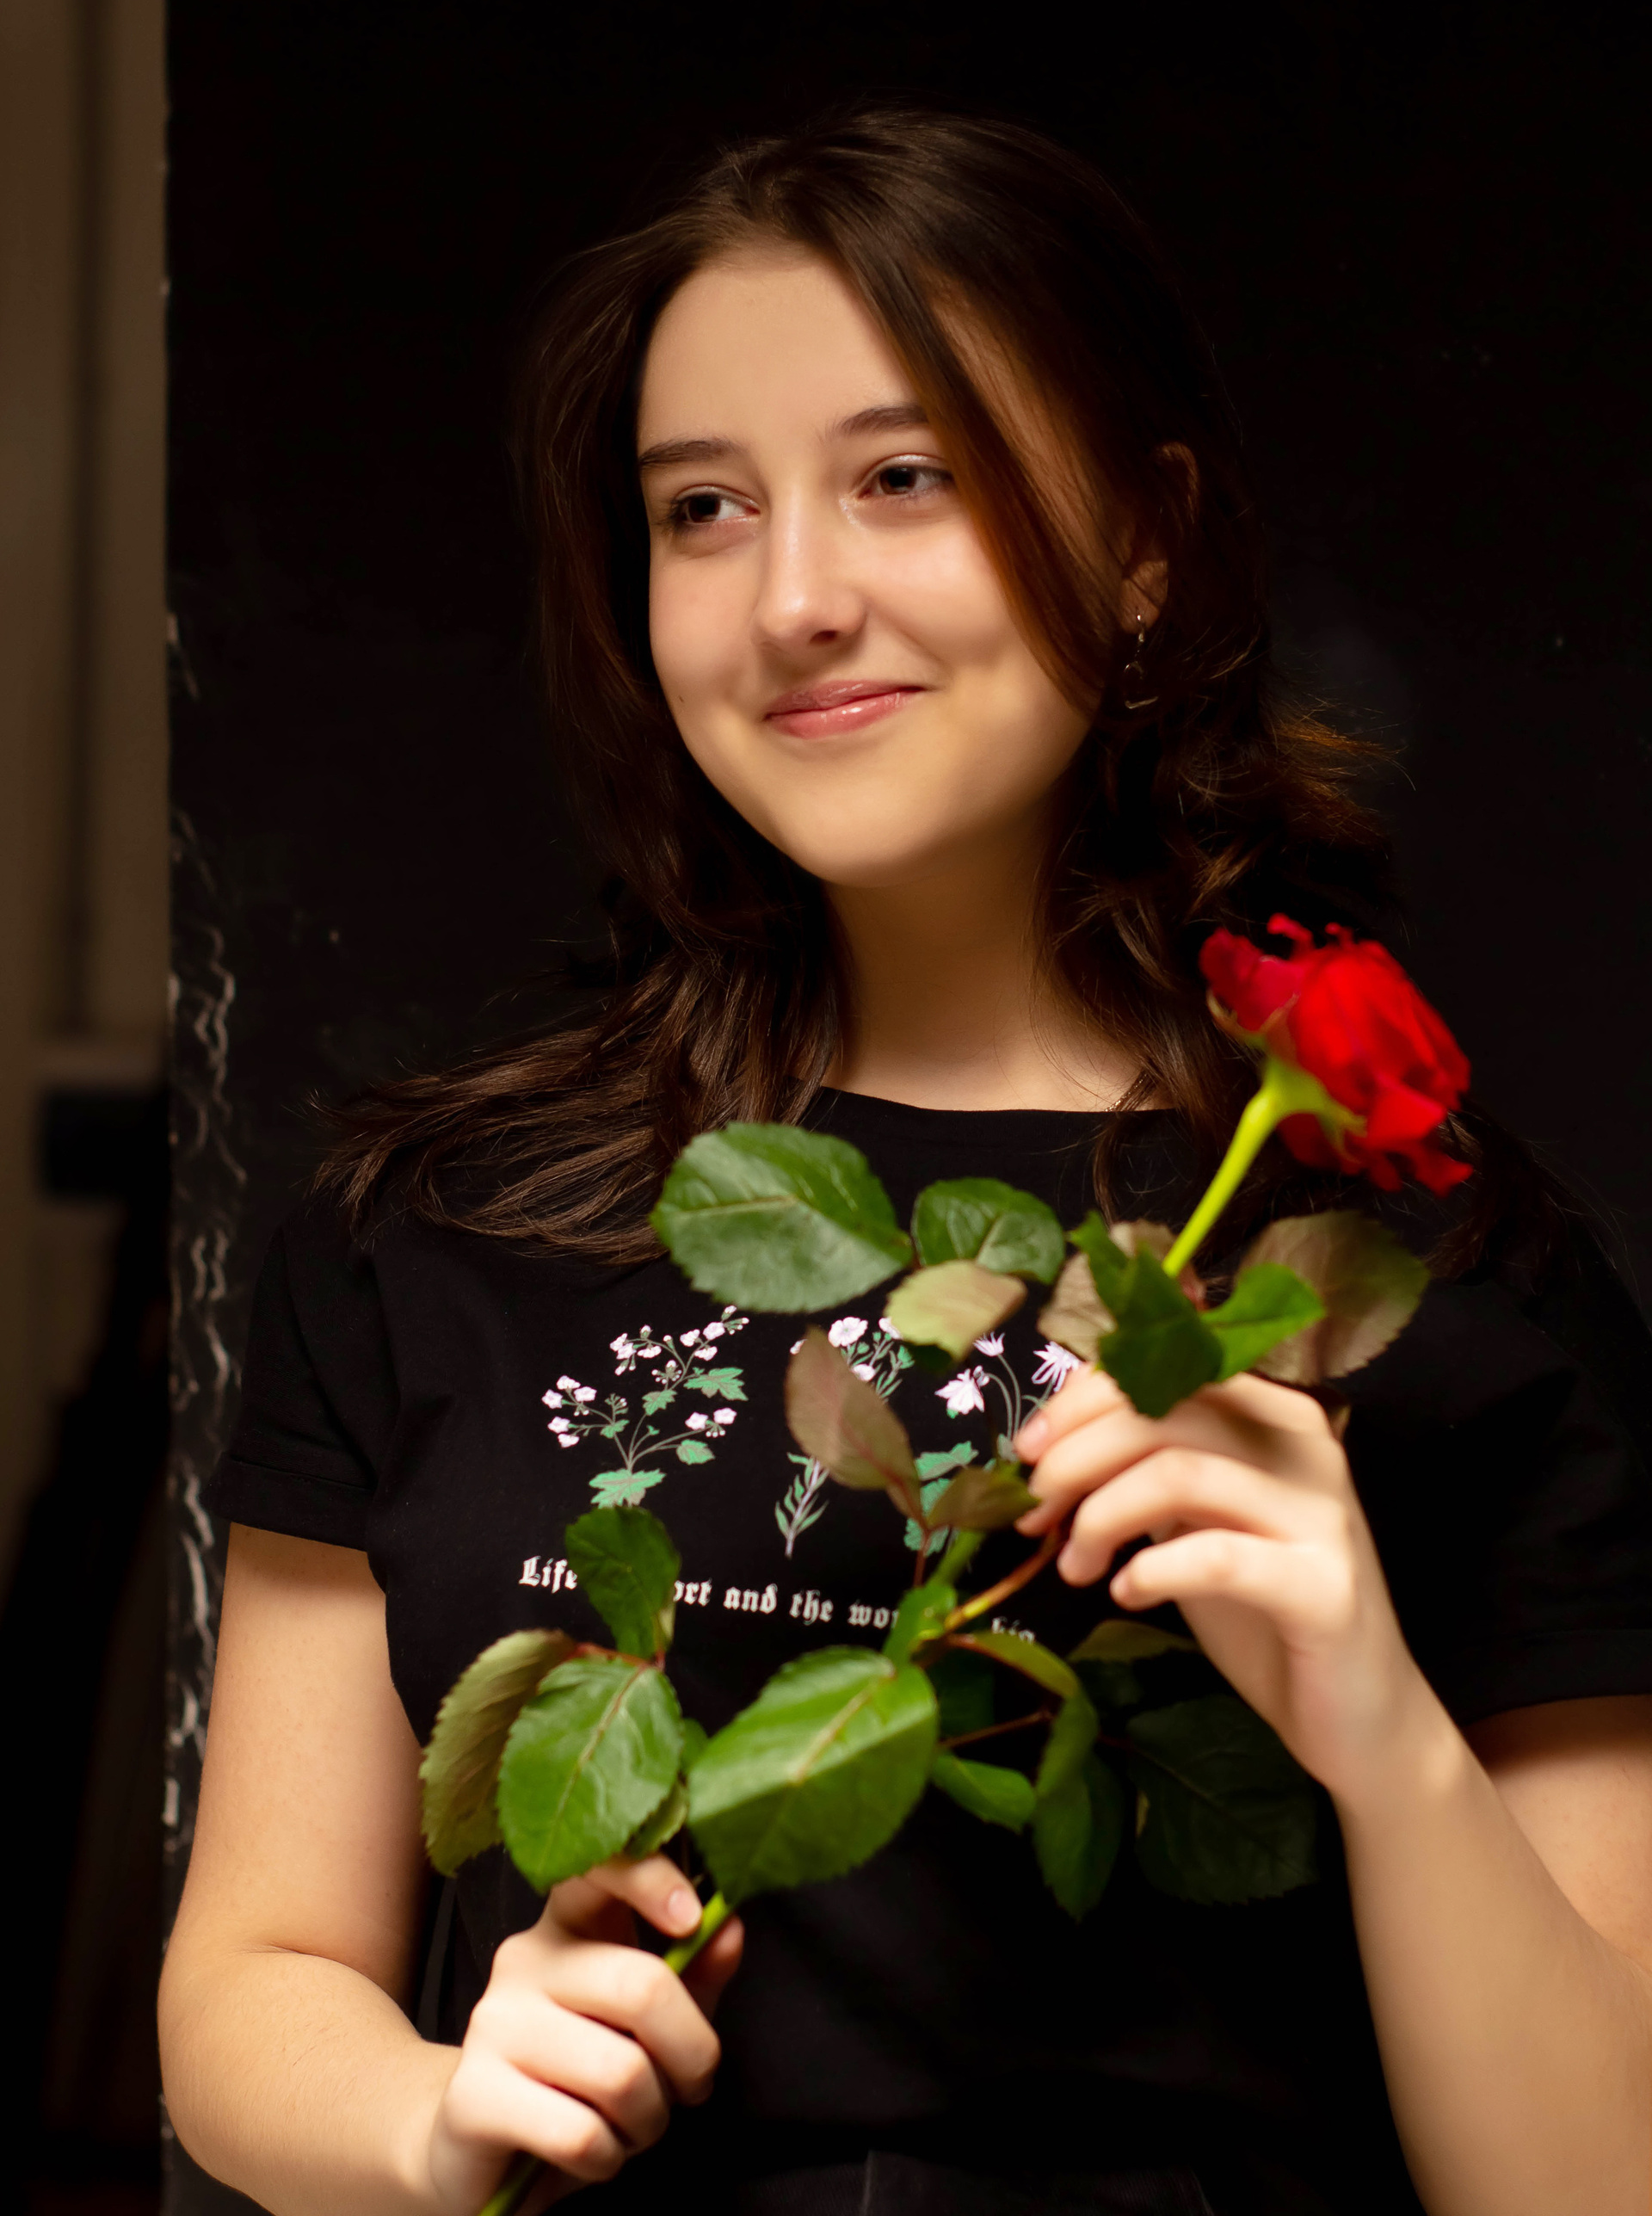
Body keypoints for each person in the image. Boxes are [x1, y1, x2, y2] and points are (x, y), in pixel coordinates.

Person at [157, 110, 1652, 2216]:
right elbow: (257, 1978)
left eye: (906, 478)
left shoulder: (1435, 1282)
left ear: (1146, 543)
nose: (793, 600)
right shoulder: (433, 1231)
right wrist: (435, 2113)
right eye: (700, 509)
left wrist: (1381, 1730)